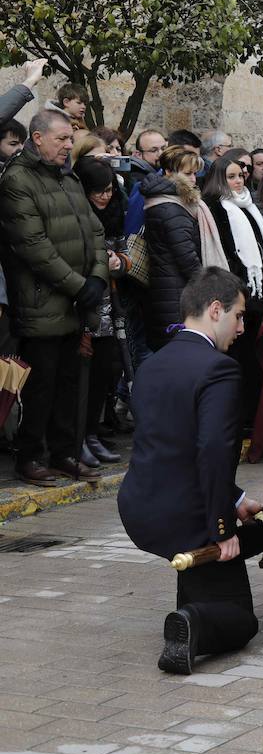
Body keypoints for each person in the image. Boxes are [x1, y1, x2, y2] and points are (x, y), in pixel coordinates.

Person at [117, 267, 263, 675]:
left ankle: (191, 611)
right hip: (187, 516)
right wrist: (222, 529)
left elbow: (175, 448)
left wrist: (234, 501)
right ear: (215, 310)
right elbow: (213, 452)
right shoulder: (219, 369)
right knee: (242, 619)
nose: (242, 327)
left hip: (141, 507)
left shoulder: (153, 364)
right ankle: (192, 622)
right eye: (239, 316)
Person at [0, 110, 109, 486]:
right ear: (38, 137)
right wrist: (81, 286)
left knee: (69, 383)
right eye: (62, 138)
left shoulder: (68, 177)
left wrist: (97, 277)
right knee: (41, 385)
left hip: (77, 301)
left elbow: (94, 231)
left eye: (70, 138)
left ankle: (64, 452)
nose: (68, 145)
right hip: (41, 300)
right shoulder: (17, 179)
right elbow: (33, 247)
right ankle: (31, 455)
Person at [203, 154, 263, 429]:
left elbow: (261, 248)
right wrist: (240, 291)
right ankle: (240, 415)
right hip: (237, 293)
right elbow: (225, 253)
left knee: (254, 359)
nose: (238, 181)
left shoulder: (248, 204)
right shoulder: (216, 206)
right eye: (231, 177)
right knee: (239, 357)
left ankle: (253, 415)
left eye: (240, 175)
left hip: (260, 295)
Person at [138, 146, 224, 353]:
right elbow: (186, 257)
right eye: (187, 173)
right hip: (175, 293)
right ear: (169, 172)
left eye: (195, 173)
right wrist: (210, 287)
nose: (193, 179)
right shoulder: (170, 207)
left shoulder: (172, 203)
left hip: (172, 290)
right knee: (182, 353)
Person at [74, 158, 128, 467]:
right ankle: (78, 437)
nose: (104, 196)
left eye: (108, 190)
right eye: (97, 191)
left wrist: (119, 262)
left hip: (110, 308)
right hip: (84, 306)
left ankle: (91, 434)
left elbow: (125, 251)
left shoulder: (113, 212)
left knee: (104, 375)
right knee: (81, 379)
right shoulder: (77, 213)